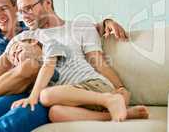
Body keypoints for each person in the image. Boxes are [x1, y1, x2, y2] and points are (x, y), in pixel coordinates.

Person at [0, 0, 131, 132]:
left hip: (55, 93)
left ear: (48, 3)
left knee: (5, 126)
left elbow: (99, 64)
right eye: (22, 11)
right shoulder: (20, 36)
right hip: (27, 90)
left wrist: (121, 89)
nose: (25, 16)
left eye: (29, 8)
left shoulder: (80, 28)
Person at [9, 36, 149, 122]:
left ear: (33, 42)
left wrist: (33, 97)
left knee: (45, 96)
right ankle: (114, 113)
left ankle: (109, 99)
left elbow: (48, 67)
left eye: (17, 48)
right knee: (54, 113)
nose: (15, 55)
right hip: (82, 101)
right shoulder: (35, 75)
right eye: (13, 58)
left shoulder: (50, 46)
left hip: (95, 85)